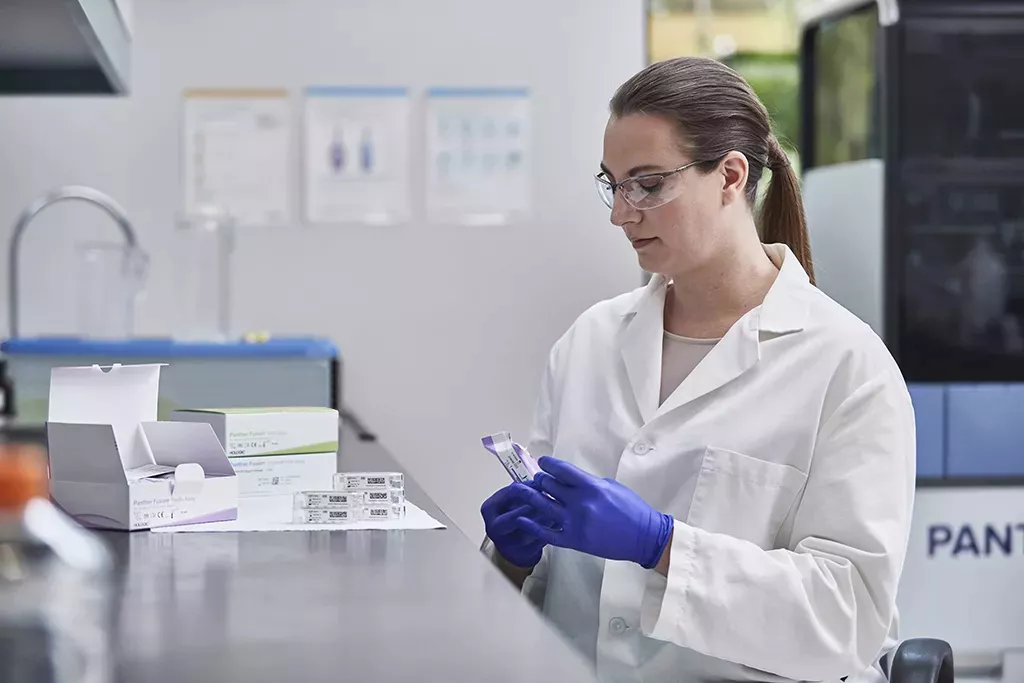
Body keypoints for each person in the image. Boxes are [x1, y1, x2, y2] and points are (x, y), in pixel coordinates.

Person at [480, 56, 915, 683]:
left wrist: (663, 546)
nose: (621, 213)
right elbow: (553, 586)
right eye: (612, 184)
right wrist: (511, 558)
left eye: (647, 184)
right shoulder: (589, 342)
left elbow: (847, 620)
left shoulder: (847, 366)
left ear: (730, 176)